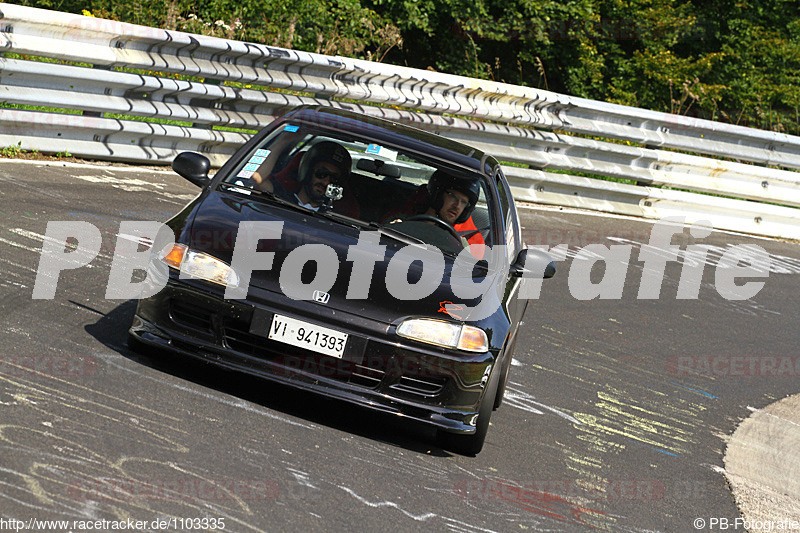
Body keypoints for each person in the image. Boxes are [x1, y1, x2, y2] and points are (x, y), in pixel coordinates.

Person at [385, 170, 486, 259]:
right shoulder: (401, 218)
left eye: (463, 202)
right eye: (452, 196)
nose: (457, 206)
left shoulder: (468, 240)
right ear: (437, 195)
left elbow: (470, 273)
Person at [256, 141, 359, 216]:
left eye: (333, 178)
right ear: (308, 172)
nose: (326, 182)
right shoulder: (279, 196)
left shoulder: (335, 219)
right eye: (322, 173)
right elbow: (257, 178)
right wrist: (289, 136)